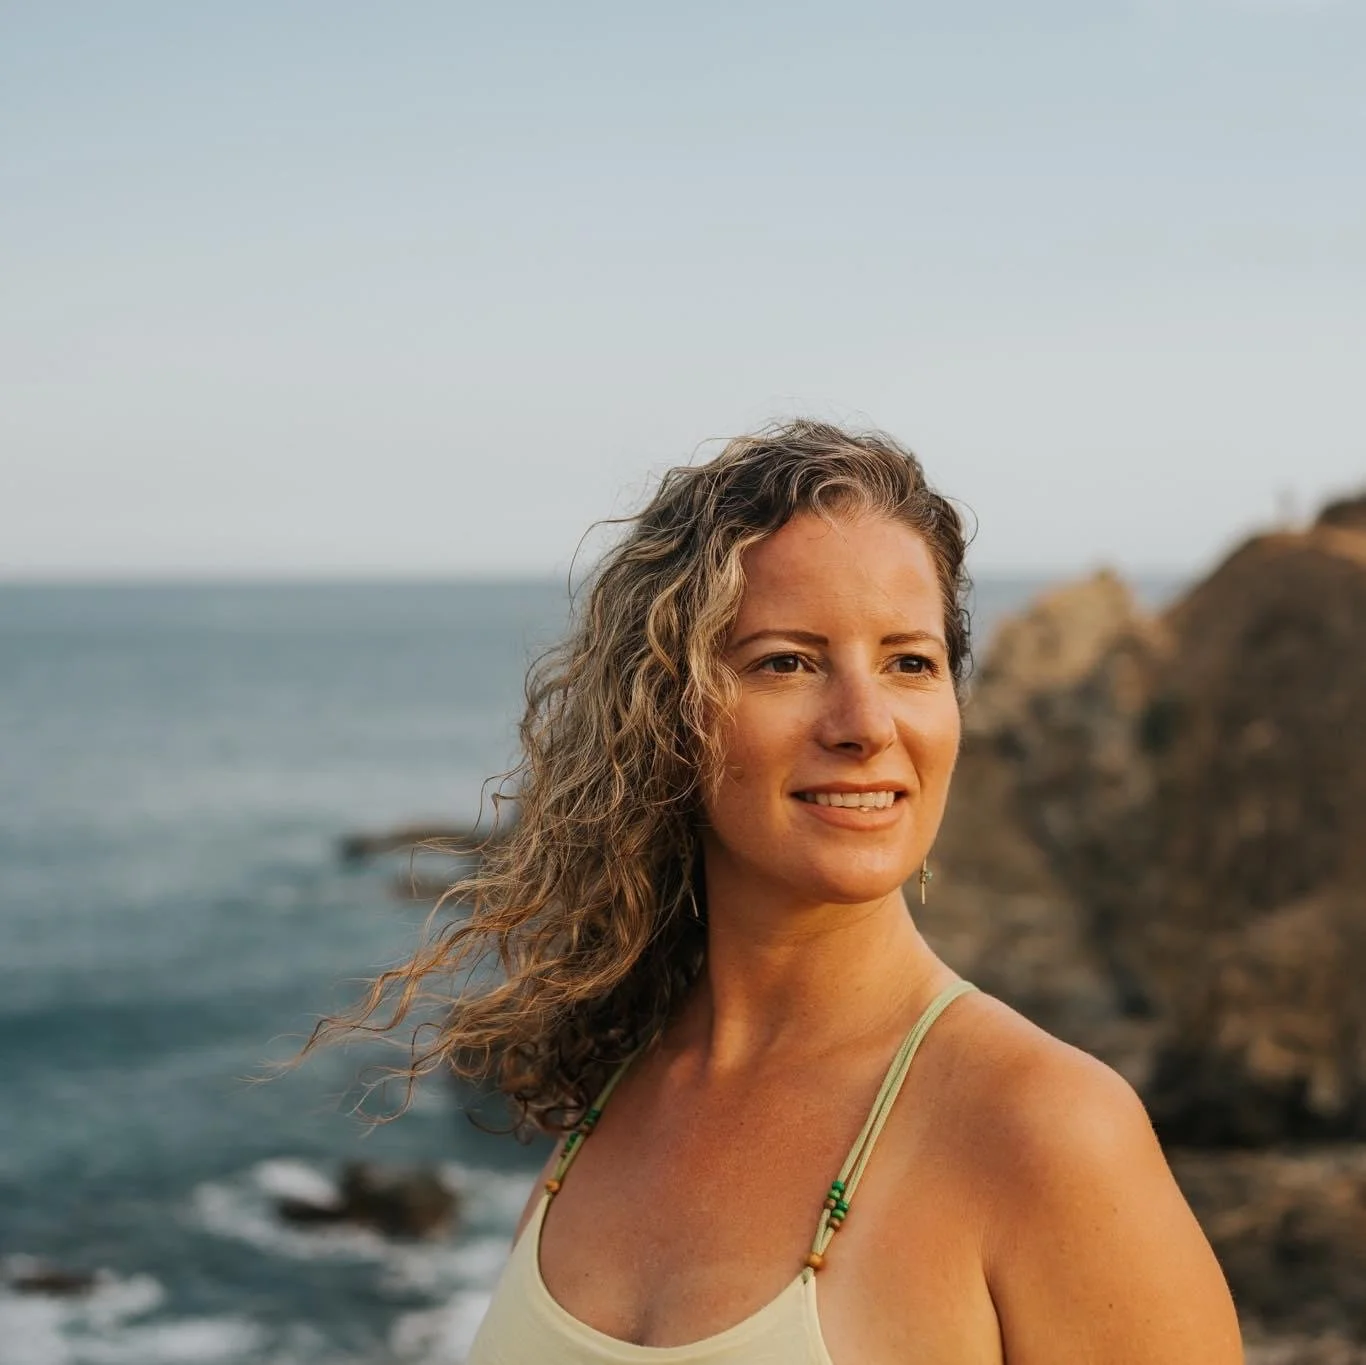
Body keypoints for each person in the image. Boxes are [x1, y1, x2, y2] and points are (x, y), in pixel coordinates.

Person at [330, 421, 1244, 1363]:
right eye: (786, 661)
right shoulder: (603, 1104)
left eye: (910, 662)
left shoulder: (1049, 1130)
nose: (866, 723)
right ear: (668, 716)